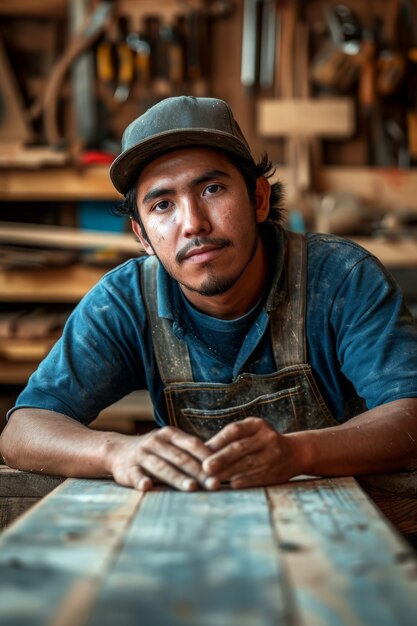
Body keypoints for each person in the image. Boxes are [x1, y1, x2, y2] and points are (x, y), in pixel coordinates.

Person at [1, 96, 417, 492]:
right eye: (163, 205)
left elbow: (409, 414)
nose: (193, 224)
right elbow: (24, 430)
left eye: (212, 190)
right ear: (143, 236)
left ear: (257, 198)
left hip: (344, 530)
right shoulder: (125, 302)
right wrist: (116, 452)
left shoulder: (342, 278)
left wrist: (299, 451)